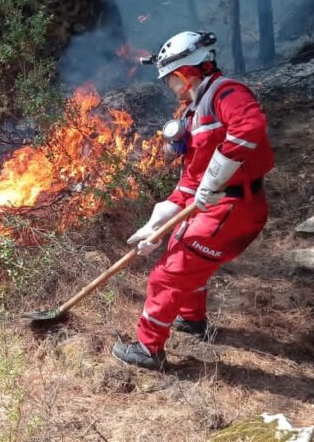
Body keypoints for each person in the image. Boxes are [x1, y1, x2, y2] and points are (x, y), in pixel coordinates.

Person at [113, 31, 275, 369]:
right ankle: (191, 320)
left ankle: (147, 350)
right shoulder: (195, 111)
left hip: (233, 207)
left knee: (168, 275)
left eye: (171, 79)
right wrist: (153, 226)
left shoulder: (226, 93)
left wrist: (216, 178)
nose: (170, 86)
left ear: (185, 72)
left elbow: (249, 127)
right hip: (218, 204)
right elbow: (190, 181)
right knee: (177, 245)